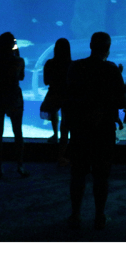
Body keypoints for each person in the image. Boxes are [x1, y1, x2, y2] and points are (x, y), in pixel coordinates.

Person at [65, 32, 126, 230]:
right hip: (103, 130)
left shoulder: (76, 66)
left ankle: (75, 215)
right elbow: (122, 101)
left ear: (90, 45)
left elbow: (69, 96)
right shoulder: (111, 69)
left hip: (80, 128)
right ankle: (99, 216)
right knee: (101, 175)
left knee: (78, 173)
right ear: (108, 48)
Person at [0, 32, 30, 178]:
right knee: (18, 132)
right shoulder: (19, 61)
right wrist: (17, 52)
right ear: (13, 45)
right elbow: (22, 77)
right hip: (14, 97)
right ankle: (20, 165)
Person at [42, 38, 72, 166]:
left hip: (53, 94)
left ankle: (55, 134)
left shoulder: (49, 63)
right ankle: (61, 156)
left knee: (53, 113)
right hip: (68, 96)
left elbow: (45, 81)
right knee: (65, 126)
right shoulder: (71, 64)